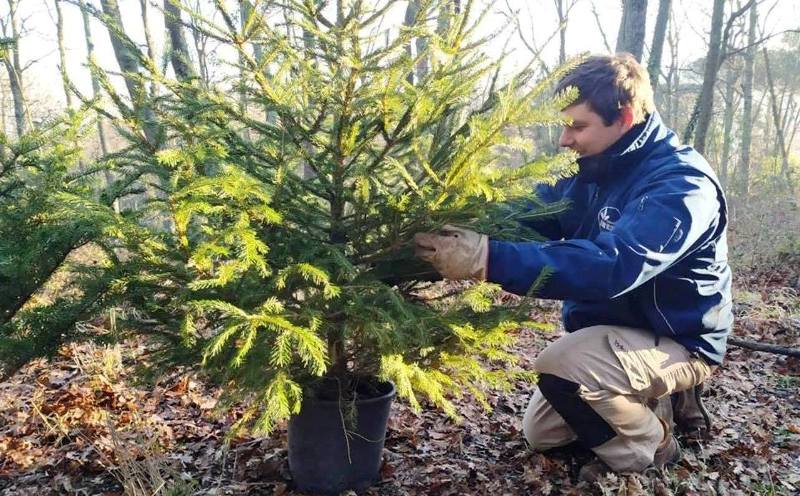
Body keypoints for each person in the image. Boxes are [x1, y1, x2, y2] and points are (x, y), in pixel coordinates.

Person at [413, 53, 732, 482]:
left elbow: (612, 266)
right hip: (614, 330)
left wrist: (486, 258)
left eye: (577, 126)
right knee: (542, 433)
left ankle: (654, 444)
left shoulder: (680, 185)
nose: (565, 139)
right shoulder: (596, 168)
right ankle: (636, 400)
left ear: (624, 115)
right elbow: (535, 212)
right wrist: (462, 224)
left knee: (561, 369)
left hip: (679, 336)